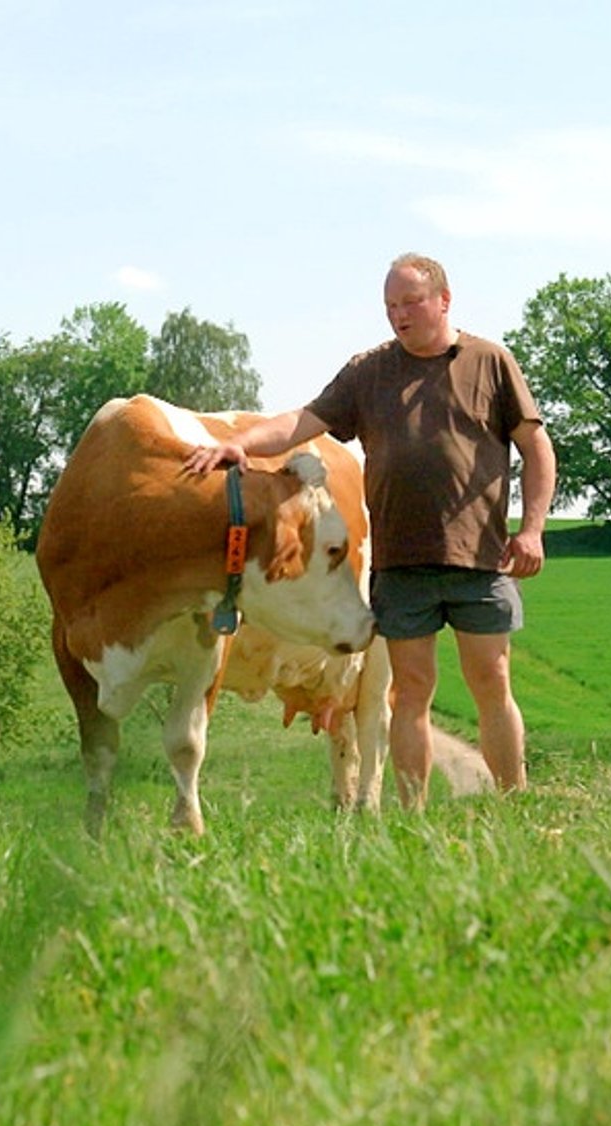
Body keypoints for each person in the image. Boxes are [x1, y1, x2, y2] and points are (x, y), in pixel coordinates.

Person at [181, 252, 557, 806]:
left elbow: (536, 446)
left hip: (481, 558)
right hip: (401, 563)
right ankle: (413, 815)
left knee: (493, 685)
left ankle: (515, 804)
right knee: (410, 695)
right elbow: (301, 421)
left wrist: (532, 530)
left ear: (444, 300)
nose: (399, 315)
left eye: (410, 302)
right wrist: (242, 444)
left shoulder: (490, 361)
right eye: (390, 306)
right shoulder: (370, 371)